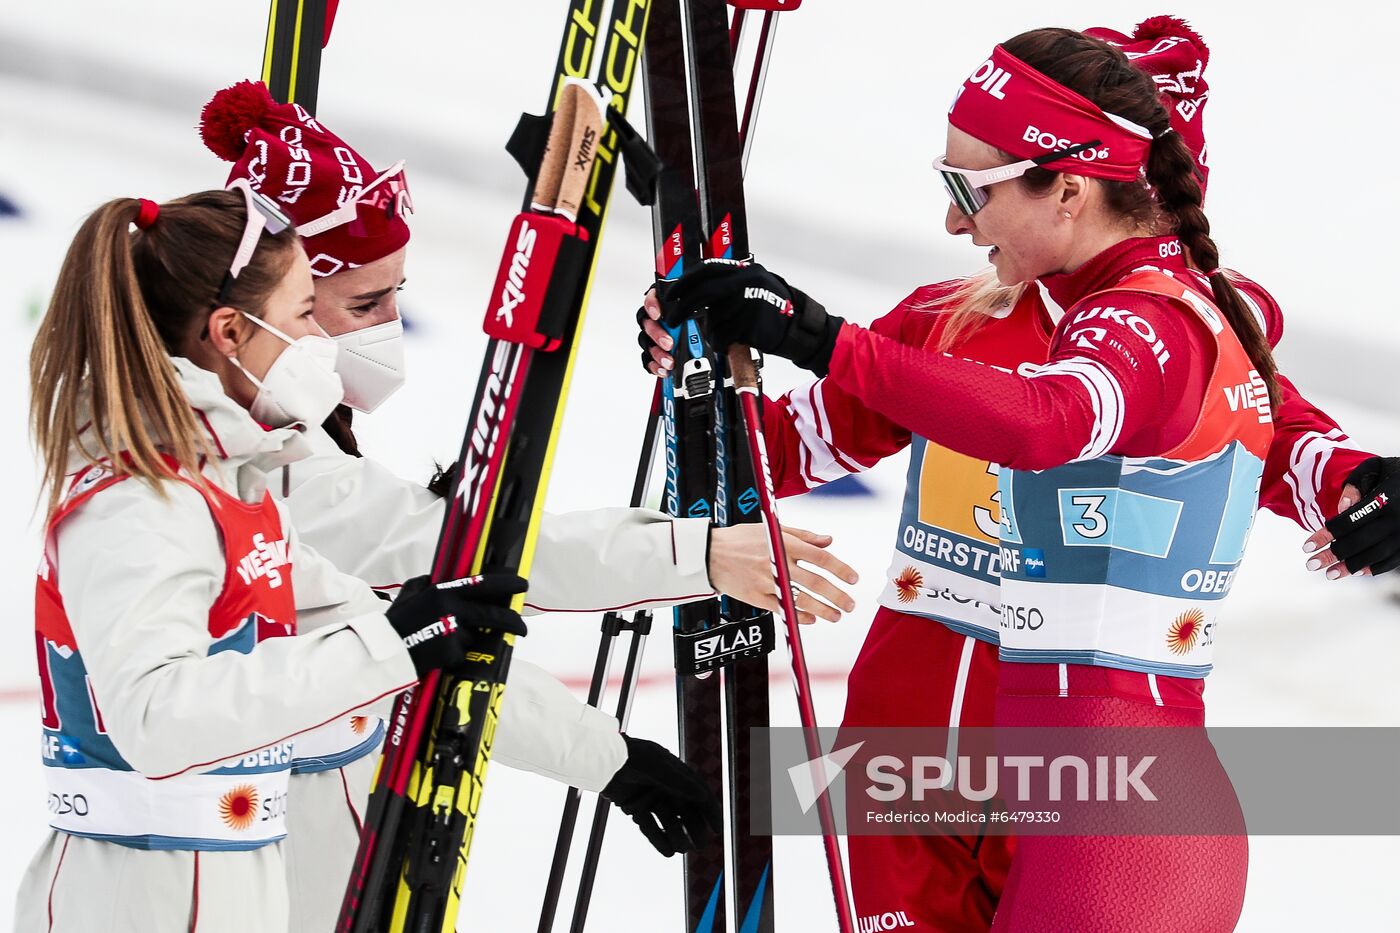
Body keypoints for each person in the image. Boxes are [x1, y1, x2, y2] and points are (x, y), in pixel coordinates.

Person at [635, 19, 1400, 931]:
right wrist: (693, 367)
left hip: (1077, 767)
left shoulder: (1170, 333)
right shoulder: (951, 320)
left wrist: (1359, 480)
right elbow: (769, 454)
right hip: (908, 762)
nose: (959, 222)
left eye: (974, 189)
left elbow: (1283, 440)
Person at [196, 79, 860, 931]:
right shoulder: (250, 468)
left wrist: (611, 759)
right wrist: (696, 555)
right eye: (364, 304)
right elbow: (459, 554)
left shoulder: (285, 431)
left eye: (398, 294)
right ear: (249, 317)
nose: (389, 326)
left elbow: (415, 629)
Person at [17, 186, 534, 933]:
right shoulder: (140, 499)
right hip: (140, 894)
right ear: (229, 330)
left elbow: (372, 625)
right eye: (301, 316)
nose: (319, 342)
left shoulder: (228, 484)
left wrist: (606, 757)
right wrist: (393, 642)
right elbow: (156, 716)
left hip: (221, 877)